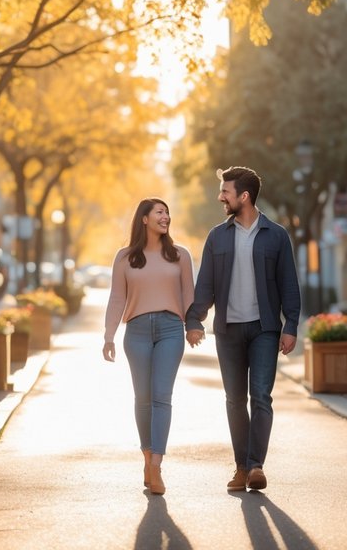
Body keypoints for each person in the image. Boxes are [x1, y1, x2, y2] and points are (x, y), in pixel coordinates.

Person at [186, 166, 301, 493]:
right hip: (228, 331)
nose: (221, 196)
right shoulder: (217, 236)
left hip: (264, 329)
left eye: (226, 191)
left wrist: (290, 324)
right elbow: (205, 284)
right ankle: (241, 467)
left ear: (244, 196)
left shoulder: (276, 235)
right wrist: (194, 319)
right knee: (234, 400)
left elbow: (288, 285)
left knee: (261, 397)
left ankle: (256, 466)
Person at [103, 197, 196, 495]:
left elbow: (189, 295)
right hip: (137, 331)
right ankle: (146, 456)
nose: (165, 216)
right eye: (159, 212)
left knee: (161, 396)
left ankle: (156, 465)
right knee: (142, 398)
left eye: (168, 212)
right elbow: (117, 298)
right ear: (144, 218)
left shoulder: (180, 255)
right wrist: (109, 335)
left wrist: (193, 326)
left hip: (170, 329)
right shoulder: (125, 257)